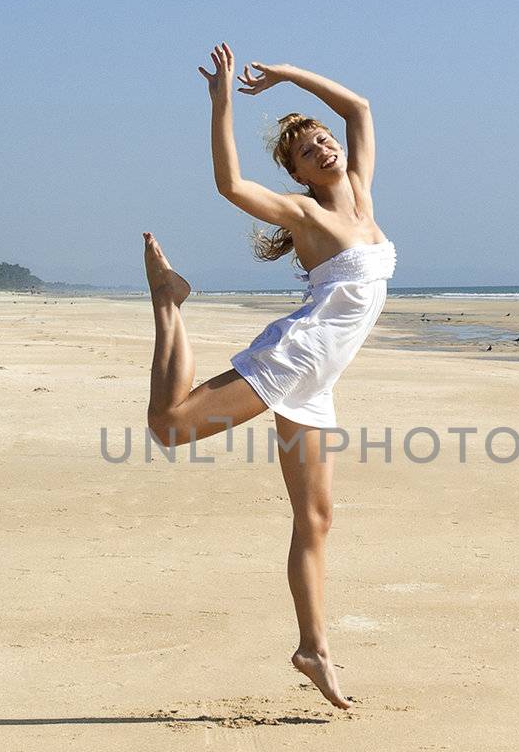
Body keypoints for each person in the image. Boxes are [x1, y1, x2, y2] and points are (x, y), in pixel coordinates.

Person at [143, 43, 396, 710]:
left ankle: (313, 647)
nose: (323, 149)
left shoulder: (363, 196)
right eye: (308, 151)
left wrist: (288, 76)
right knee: (170, 427)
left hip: (318, 382)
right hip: (295, 357)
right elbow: (231, 185)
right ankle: (170, 304)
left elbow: (359, 107)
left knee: (315, 518)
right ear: (297, 173)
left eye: (323, 140)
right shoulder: (307, 215)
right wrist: (223, 100)